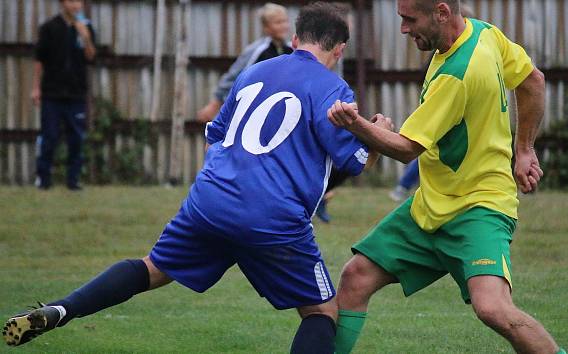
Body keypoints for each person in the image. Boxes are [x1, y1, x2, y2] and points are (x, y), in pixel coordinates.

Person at [3, 3, 392, 352]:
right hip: (273, 217)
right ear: (339, 50)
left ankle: (62, 309)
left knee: (152, 269)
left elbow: (214, 137)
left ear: (294, 38)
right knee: (322, 313)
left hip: (210, 200)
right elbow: (356, 162)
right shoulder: (333, 88)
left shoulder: (254, 73)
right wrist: (377, 133)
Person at [327, 1, 566, 353]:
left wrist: (355, 124)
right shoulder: (484, 33)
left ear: (441, 12)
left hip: (478, 207)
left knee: (494, 309)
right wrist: (525, 148)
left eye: (410, 19)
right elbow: (533, 79)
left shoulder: (457, 73)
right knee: (355, 277)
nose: (404, 29)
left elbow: (407, 148)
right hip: (430, 207)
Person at [388, 2, 473, 203]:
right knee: (427, 146)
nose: (403, 29)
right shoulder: (447, 57)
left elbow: (533, 79)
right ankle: (403, 186)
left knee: (428, 147)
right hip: (441, 103)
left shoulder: (462, 63)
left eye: (410, 19)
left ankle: (404, 186)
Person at [33, 0, 97, 190]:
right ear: (63, 3)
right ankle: (43, 180)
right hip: (52, 94)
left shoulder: (86, 27)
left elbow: (91, 57)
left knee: (76, 139)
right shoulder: (49, 27)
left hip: (76, 94)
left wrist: (85, 37)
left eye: (79, 1)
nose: (76, 5)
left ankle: (73, 180)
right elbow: (39, 60)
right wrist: (36, 88)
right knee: (49, 137)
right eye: (71, 1)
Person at [196, 3, 293, 122]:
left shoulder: (292, 50)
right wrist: (215, 104)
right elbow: (234, 76)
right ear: (266, 28)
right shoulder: (256, 51)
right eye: (278, 23)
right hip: (256, 109)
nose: (284, 26)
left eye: (285, 21)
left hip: (283, 108)